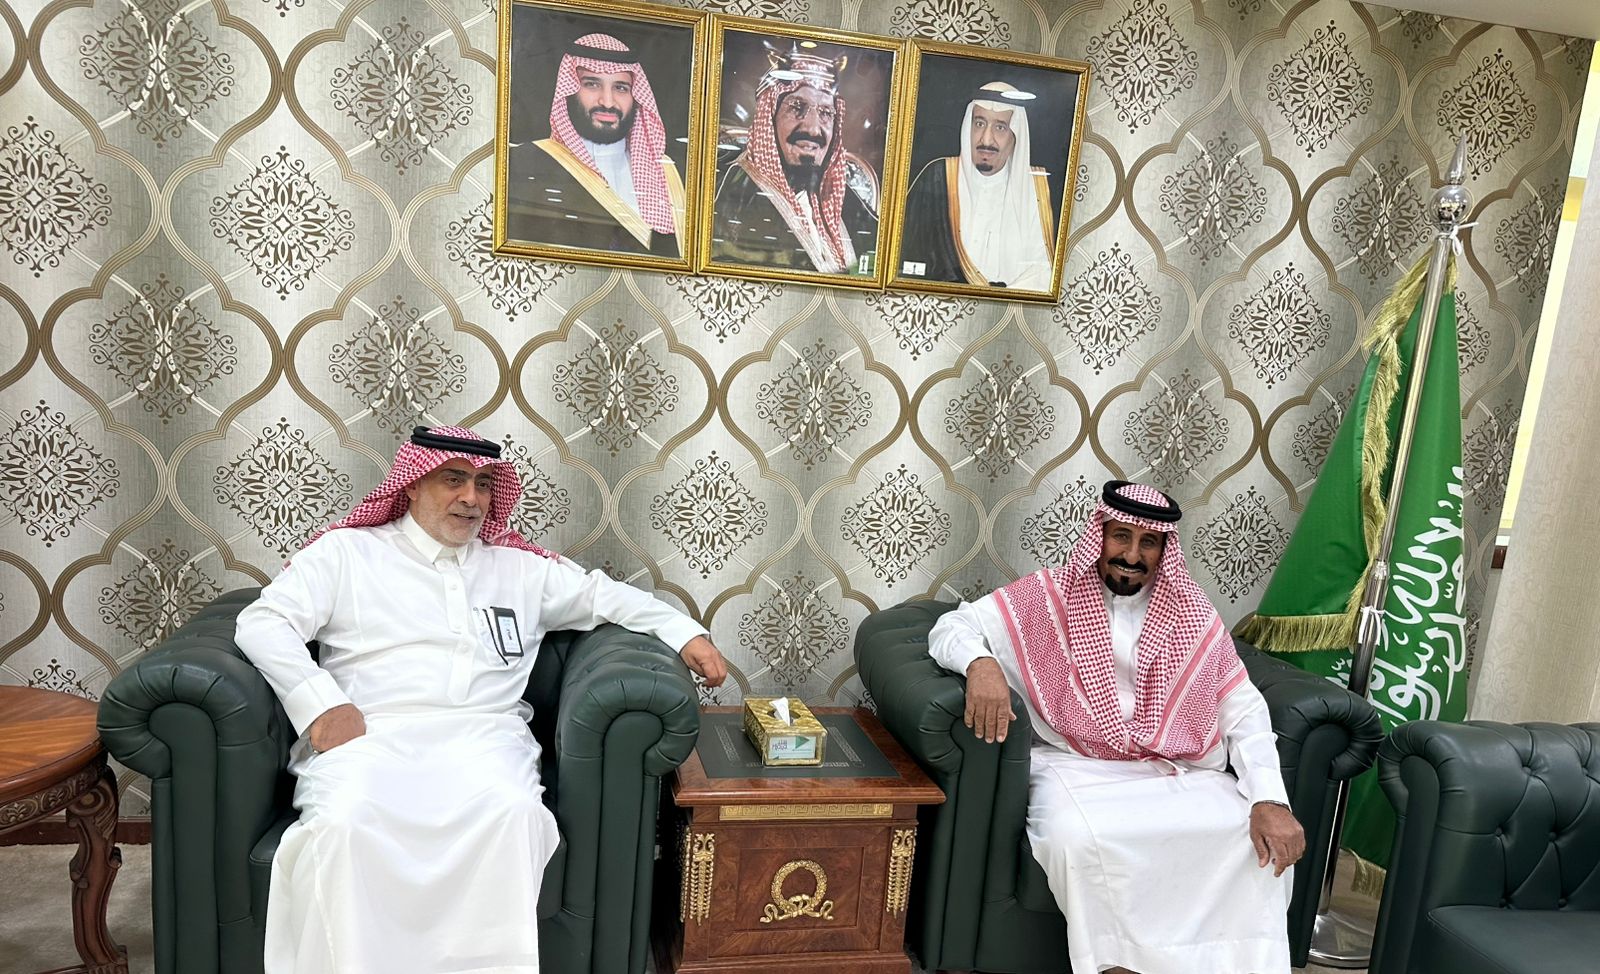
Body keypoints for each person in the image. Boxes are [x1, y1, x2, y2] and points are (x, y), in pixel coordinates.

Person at [235, 425, 727, 973]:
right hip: (372, 736)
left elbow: (602, 595)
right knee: (344, 823)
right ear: (412, 485)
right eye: (454, 480)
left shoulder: (517, 567)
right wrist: (319, 704)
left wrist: (685, 633)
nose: (472, 498)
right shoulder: (346, 554)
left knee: (514, 814)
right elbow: (264, 622)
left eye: (485, 484)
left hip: (485, 738)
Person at [927, 481, 1305, 974]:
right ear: (1099, 536)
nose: (1131, 555)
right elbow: (952, 627)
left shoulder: (1191, 611)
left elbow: (1243, 709)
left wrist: (1269, 799)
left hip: (1173, 768)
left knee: (1250, 840)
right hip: (1075, 764)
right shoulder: (1049, 597)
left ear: (1164, 551)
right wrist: (981, 665)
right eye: (1120, 536)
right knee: (1076, 840)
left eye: (1148, 543)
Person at [507, 33, 686, 257]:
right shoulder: (525, 163)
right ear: (570, 89)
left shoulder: (670, 173)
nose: (608, 102)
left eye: (621, 88)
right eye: (592, 84)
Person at [710, 43, 880, 275]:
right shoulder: (737, 194)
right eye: (797, 107)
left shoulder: (839, 193)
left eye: (826, 113)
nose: (813, 129)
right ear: (769, 118)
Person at [900, 81, 1054, 290]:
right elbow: (906, 258)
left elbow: (1043, 273)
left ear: (1015, 135)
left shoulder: (1037, 192)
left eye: (1000, 127)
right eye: (979, 124)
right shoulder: (937, 178)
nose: (986, 139)